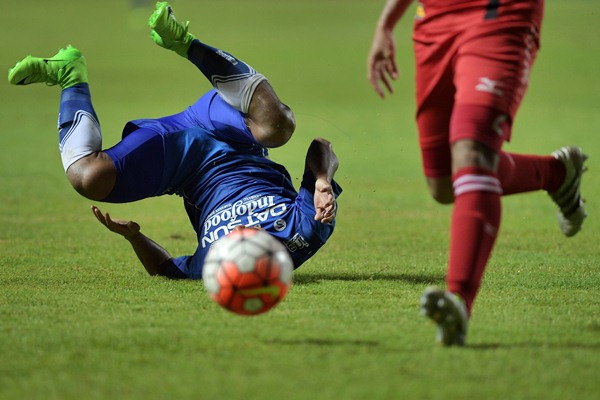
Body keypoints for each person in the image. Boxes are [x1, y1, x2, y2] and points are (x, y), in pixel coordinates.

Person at [8, 1, 341, 280]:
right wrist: (323, 181)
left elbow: (167, 268)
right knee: (278, 127)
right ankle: (184, 42)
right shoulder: (304, 233)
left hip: (181, 162)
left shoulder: (214, 264)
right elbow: (321, 145)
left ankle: (69, 75)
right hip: (233, 133)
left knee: (88, 178)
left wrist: (135, 237)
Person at [367, 0, 587, 346]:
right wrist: (386, 23)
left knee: (473, 149)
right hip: (435, 22)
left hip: (500, 14)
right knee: (443, 185)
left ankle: (459, 300)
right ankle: (557, 174)